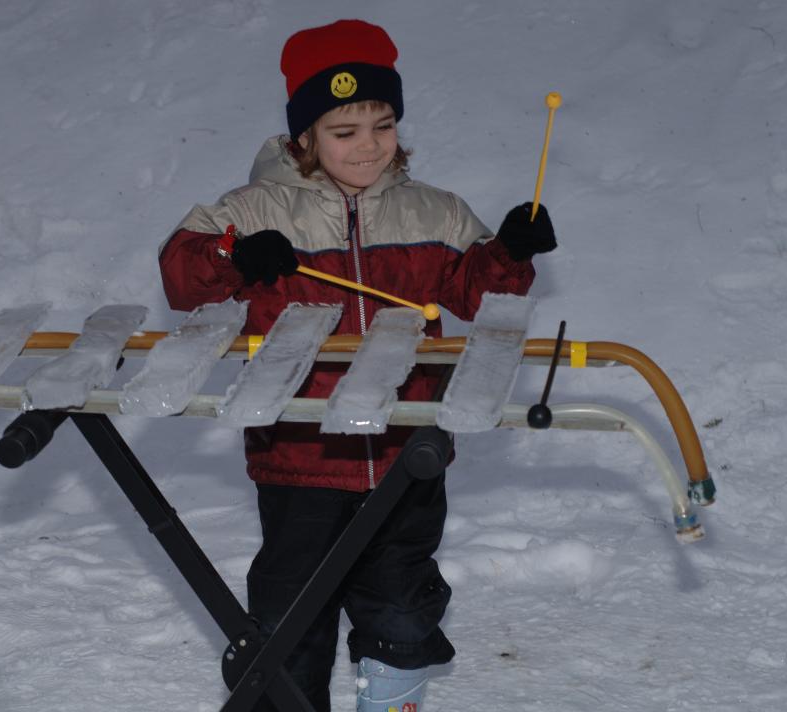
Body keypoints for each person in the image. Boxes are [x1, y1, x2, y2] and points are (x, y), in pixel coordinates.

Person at [158, 19, 556, 712]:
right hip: (301, 454)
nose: (368, 145)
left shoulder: (435, 211)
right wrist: (235, 255)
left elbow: (477, 293)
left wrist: (511, 253)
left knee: (401, 603)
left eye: (383, 125)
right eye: (344, 131)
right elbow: (181, 274)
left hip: (408, 453)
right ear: (304, 136)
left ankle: (391, 701)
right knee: (292, 613)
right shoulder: (255, 209)